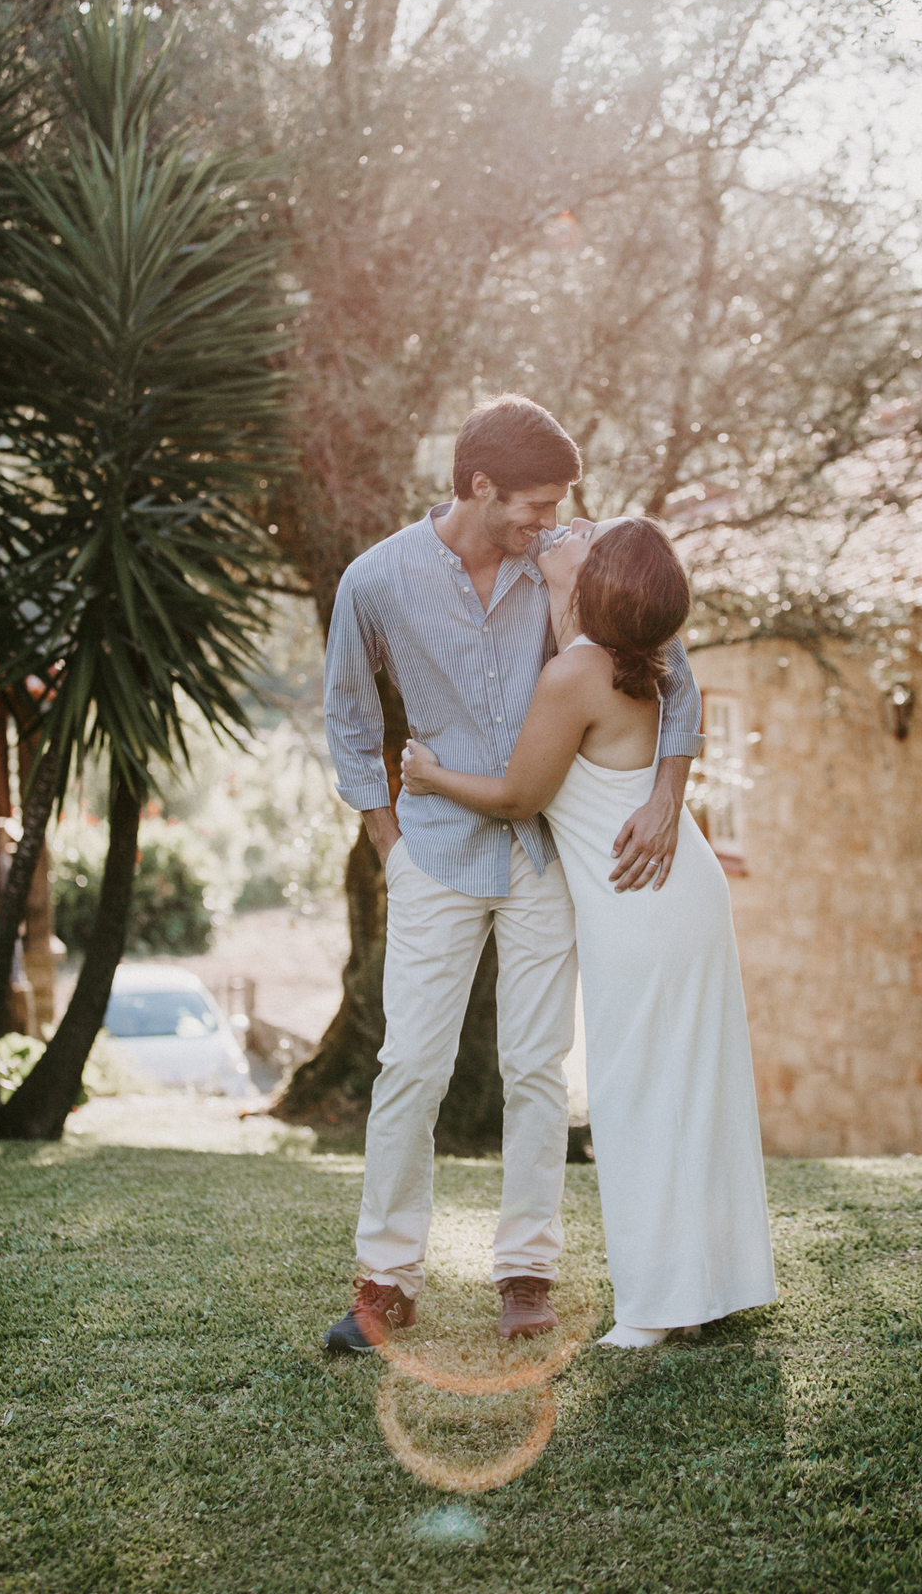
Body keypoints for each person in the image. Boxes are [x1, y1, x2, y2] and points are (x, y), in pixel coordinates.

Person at [321, 397, 705, 1354]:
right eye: (536, 504)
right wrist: (390, 846)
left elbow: (671, 670)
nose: (550, 521)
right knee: (412, 1065)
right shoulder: (377, 581)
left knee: (537, 1067)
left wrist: (667, 794)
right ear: (481, 486)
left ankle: (527, 1271)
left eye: (558, 506)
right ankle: (386, 1280)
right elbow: (350, 718)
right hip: (436, 857)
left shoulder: (570, 563)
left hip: (546, 858)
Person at [401, 515, 776, 1346]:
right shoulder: (636, 657)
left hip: (643, 904)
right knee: (687, 1094)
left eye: (586, 536)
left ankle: (655, 1307)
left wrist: (429, 775)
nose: (568, 529)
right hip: (677, 895)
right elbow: (680, 686)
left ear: (597, 579)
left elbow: (517, 797)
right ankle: (711, 1285)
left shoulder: (576, 671)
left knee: (639, 1096)